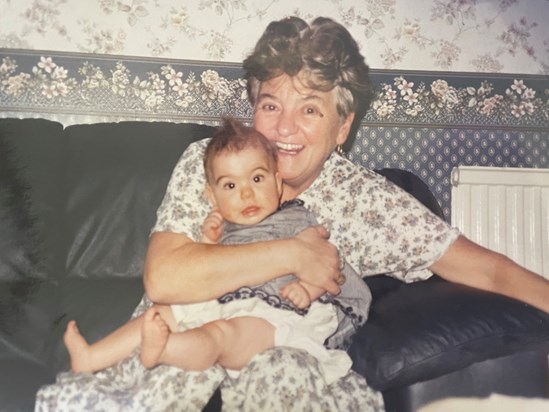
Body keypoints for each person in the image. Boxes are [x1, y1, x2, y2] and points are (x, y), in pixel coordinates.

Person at [36, 15, 549, 412]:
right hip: (179, 347)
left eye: (309, 109)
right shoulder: (211, 163)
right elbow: (167, 275)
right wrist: (291, 253)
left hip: (281, 361)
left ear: (342, 126)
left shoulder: (368, 201)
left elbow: (484, 267)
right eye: (270, 104)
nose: (284, 128)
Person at [62, 118, 370, 385]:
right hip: (226, 302)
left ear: (278, 182)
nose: (246, 192)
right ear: (212, 196)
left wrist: (307, 289)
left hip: (276, 318)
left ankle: (164, 349)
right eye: (230, 186)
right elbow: (207, 274)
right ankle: (92, 357)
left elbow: (323, 267)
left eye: (257, 178)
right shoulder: (224, 228)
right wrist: (208, 243)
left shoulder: (297, 220)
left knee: (221, 334)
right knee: (160, 313)